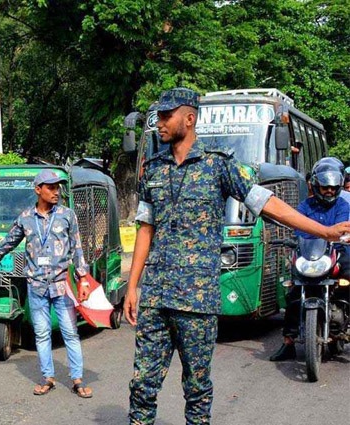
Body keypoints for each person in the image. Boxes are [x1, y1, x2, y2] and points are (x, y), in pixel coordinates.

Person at [124, 88, 350, 425]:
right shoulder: (154, 169)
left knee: (197, 389)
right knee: (142, 385)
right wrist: (133, 286)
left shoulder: (219, 164)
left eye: (165, 116)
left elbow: (268, 204)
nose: (159, 123)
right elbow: (145, 227)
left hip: (197, 300)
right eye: (158, 117)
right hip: (156, 296)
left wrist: (325, 232)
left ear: (189, 118)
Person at [0, 169, 94, 398]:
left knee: (70, 333)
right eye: (50, 187)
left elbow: (77, 249)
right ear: (38, 190)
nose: (55, 191)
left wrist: (83, 279)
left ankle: (77, 379)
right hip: (36, 287)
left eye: (57, 187)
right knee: (42, 334)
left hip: (60, 286)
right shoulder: (26, 218)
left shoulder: (68, 215)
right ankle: (48, 378)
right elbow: (7, 243)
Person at [270, 158, 350, 361]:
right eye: (325, 187)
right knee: (294, 292)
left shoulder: (342, 206)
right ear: (316, 185)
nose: (329, 191)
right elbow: (297, 228)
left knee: (349, 280)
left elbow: (342, 229)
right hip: (310, 256)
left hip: (337, 253)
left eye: (333, 187)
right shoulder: (305, 206)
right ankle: (288, 342)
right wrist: (292, 239)